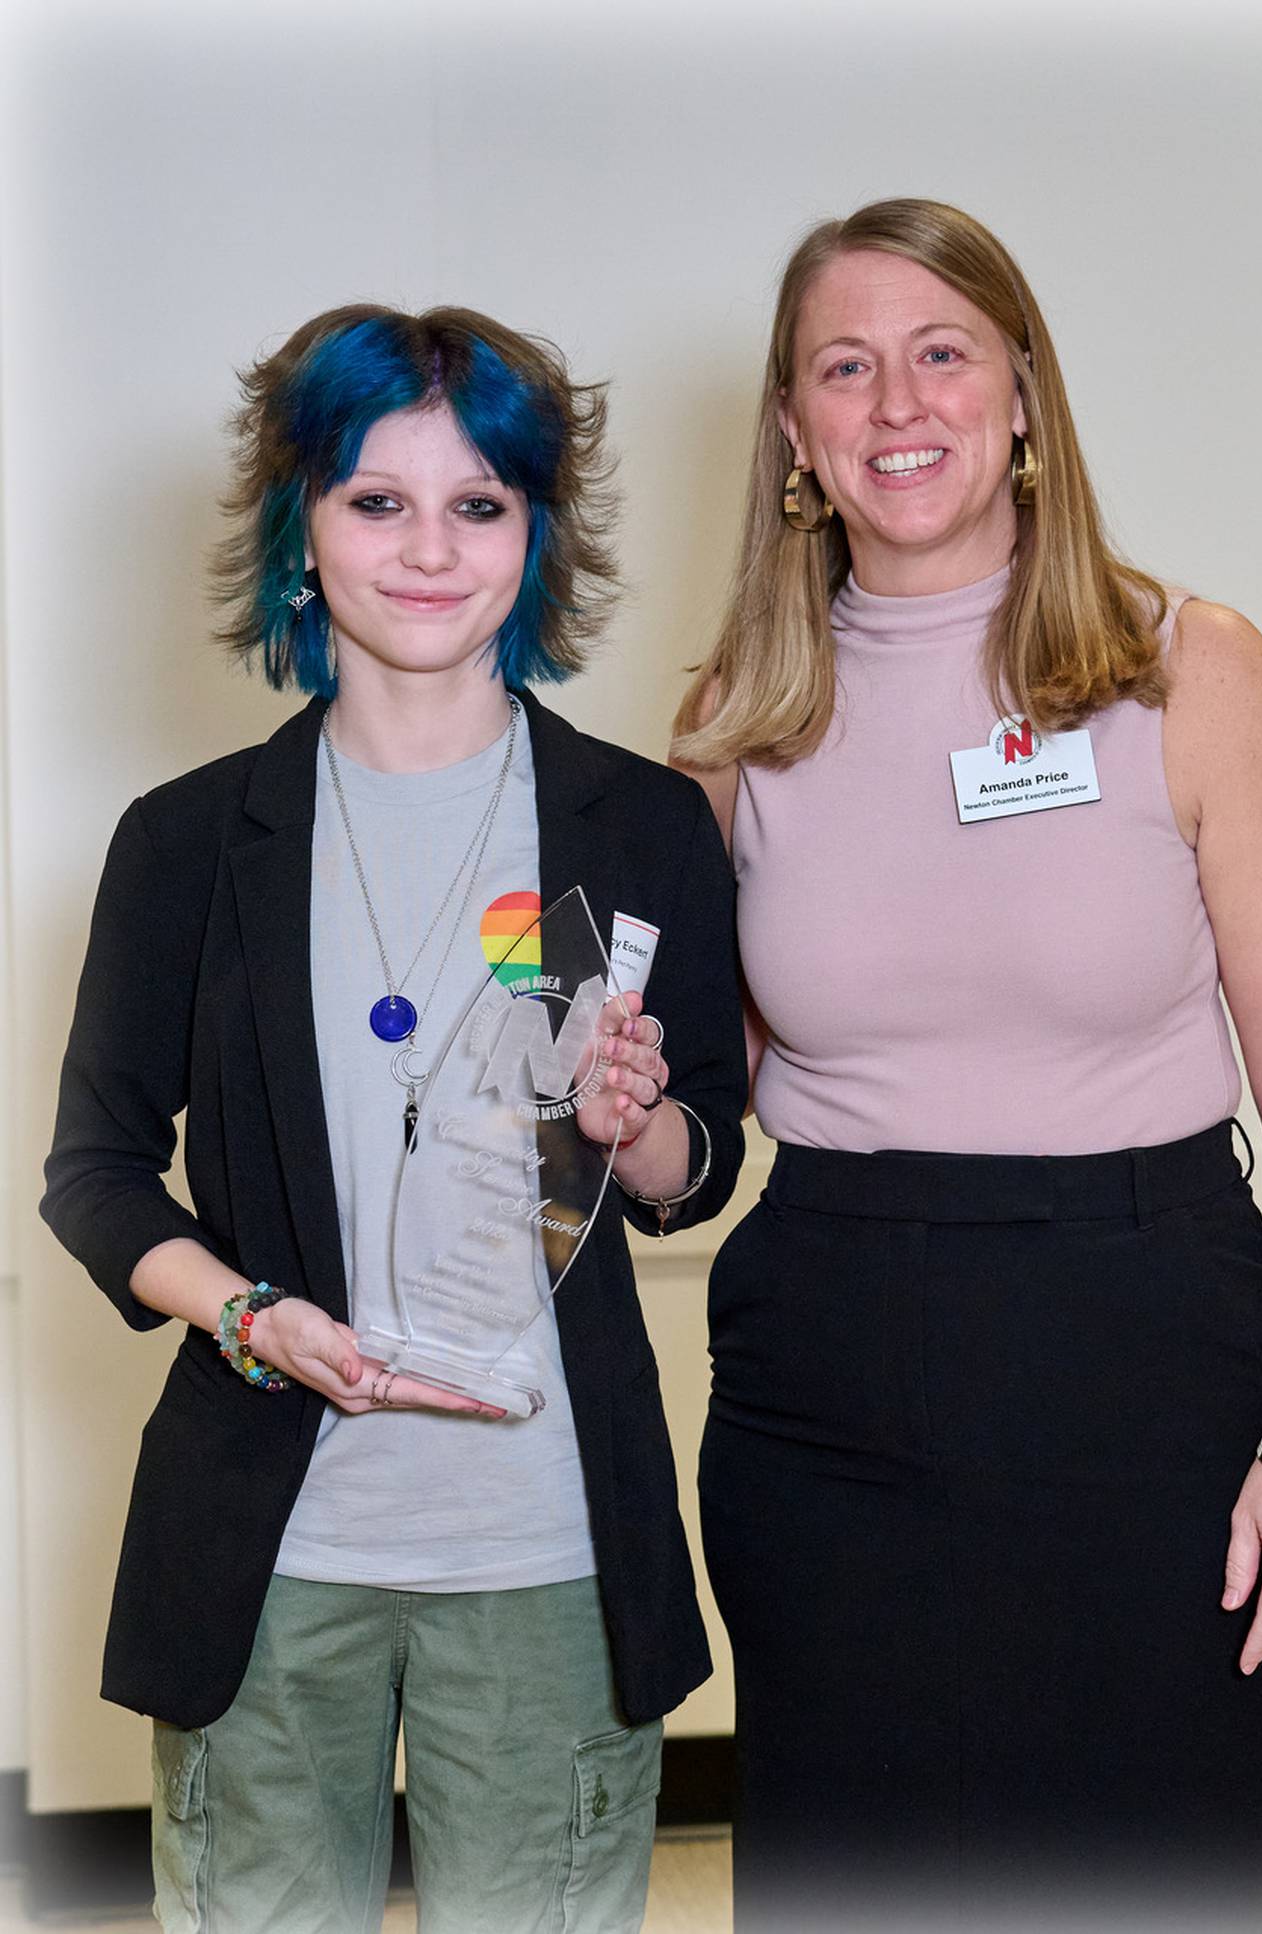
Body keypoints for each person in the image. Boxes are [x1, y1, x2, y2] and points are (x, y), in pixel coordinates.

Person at [672, 199, 1262, 1933]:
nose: (895, 401)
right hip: (825, 1378)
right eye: (845, 366)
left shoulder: (1185, 667)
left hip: (1151, 1359)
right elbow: (696, 1100)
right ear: (794, 431)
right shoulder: (729, 722)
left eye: (942, 353)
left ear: (1020, 397)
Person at [42, 302, 747, 1934]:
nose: (430, 550)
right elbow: (93, 1175)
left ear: (535, 536)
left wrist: (636, 1123)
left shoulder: (637, 826)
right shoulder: (186, 843)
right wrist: (250, 1316)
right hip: (271, 1560)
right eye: (377, 501)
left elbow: (692, 1159)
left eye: (479, 505)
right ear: (303, 527)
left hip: (552, 1555)